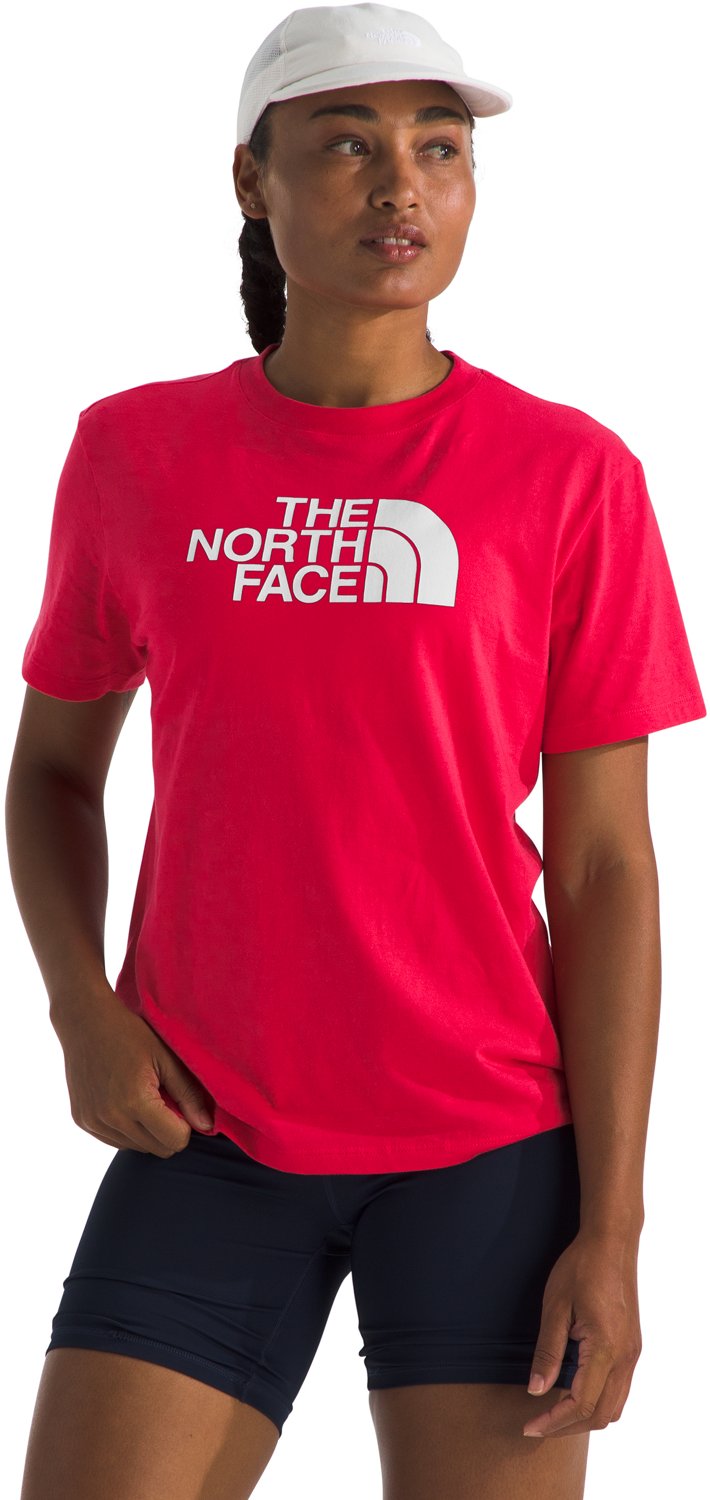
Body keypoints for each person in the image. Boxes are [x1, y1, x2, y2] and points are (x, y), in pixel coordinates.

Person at [7, 5, 706, 1498]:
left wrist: (615, 1228)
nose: (402, 187)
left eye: (439, 150)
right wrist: (81, 1010)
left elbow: (605, 868)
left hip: (487, 1145)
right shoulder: (136, 453)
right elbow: (53, 772)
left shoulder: (570, 476)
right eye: (346, 146)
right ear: (248, 180)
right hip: (206, 1131)